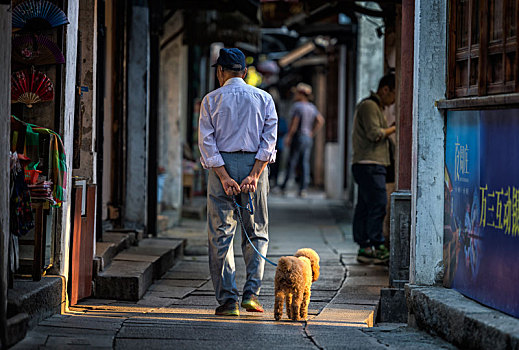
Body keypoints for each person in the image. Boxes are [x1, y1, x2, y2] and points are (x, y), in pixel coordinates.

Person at [198, 48, 278, 316]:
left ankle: (228, 301)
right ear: (244, 72)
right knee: (256, 231)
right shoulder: (264, 98)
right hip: (255, 166)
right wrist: (254, 174)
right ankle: (251, 295)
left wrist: (223, 176)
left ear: (220, 72)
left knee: (220, 234)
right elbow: (269, 141)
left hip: (221, 166)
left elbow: (207, 142)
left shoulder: (210, 100)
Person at [352, 73, 396, 264]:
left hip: (370, 164)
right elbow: (374, 134)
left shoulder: (374, 106)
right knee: (377, 204)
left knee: (366, 205)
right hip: (369, 164)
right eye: (394, 93)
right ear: (385, 89)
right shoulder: (369, 105)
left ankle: (365, 247)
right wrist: (395, 128)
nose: (394, 100)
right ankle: (376, 245)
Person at [280, 83, 324, 197]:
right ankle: (303, 188)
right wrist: (312, 133)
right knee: (304, 162)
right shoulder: (311, 107)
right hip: (307, 137)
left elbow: (294, 123)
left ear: (301, 94)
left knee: (292, 161)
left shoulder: (297, 106)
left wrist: (289, 136)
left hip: (298, 136)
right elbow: (320, 120)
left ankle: (284, 187)